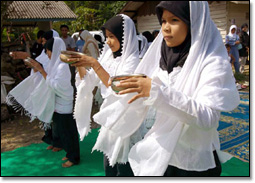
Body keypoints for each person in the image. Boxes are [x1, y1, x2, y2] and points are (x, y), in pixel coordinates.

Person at [114, 1, 240, 176]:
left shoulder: (212, 61)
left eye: (174, 20)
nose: (165, 28)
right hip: (162, 152)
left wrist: (156, 92)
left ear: (193, 21)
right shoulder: (163, 56)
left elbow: (208, 118)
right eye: (163, 20)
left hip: (193, 161)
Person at [68, 14, 140, 176]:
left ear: (124, 36)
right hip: (110, 118)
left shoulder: (133, 60)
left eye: (112, 37)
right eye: (106, 37)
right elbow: (90, 79)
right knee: (109, 167)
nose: (108, 41)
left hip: (126, 120)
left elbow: (119, 87)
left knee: (124, 168)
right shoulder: (108, 57)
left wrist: (94, 63)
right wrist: (79, 64)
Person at [7, 37, 80, 168]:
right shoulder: (55, 64)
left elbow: (58, 86)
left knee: (68, 132)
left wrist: (41, 70)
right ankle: (70, 153)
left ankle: (74, 157)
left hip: (64, 104)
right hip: (57, 103)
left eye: (48, 51)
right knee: (63, 131)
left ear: (55, 50)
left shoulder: (62, 66)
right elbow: (45, 78)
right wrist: (37, 68)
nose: (47, 54)